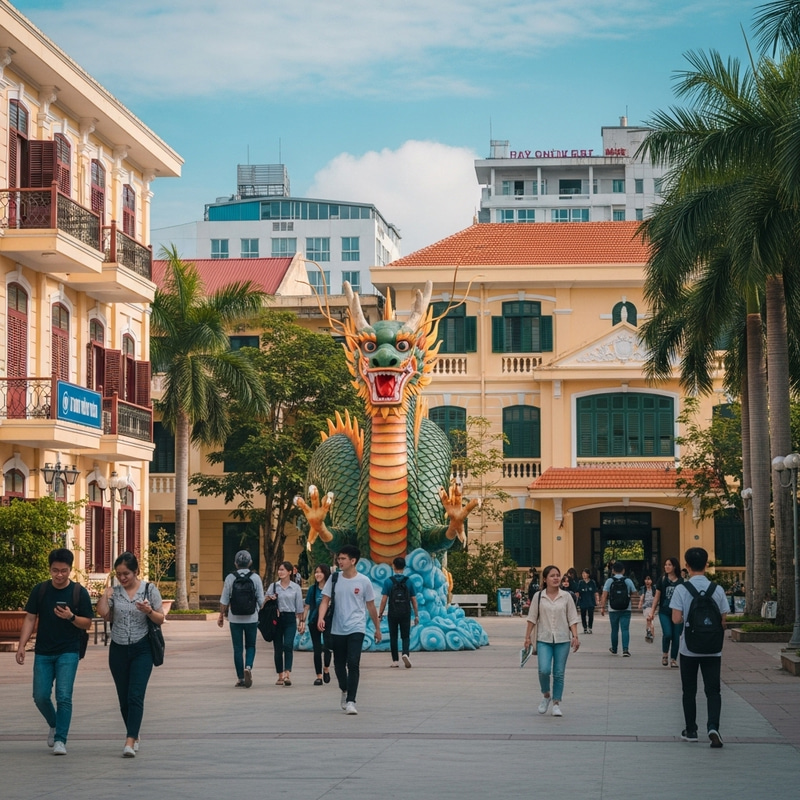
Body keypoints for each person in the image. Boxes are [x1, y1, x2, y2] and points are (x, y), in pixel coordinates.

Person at [15, 548, 93, 755]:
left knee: (64, 696)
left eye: (64, 571)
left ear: (70, 570)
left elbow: (87, 623)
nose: (59, 575)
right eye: (55, 570)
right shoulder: (40, 590)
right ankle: (54, 723)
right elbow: (30, 618)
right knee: (40, 696)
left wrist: (70, 617)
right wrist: (21, 645)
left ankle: (60, 739)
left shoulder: (79, 592)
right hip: (43, 651)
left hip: (69, 651)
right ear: (49, 569)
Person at [96, 551, 165, 758]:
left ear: (136, 571)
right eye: (118, 574)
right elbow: (103, 614)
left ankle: (130, 739)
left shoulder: (149, 590)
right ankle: (134, 733)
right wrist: (105, 595)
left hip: (142, 648)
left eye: (126, 573)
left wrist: (148, 611)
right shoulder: (115, 592)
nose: (122, 578)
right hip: (118, 648)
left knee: (136, 695)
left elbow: (161, 618)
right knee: (124, 698)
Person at [669, 547, 728, 748]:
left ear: (686, 566)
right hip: (713, 648)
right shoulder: (717, 589)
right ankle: (713, 726)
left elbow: (676, 619)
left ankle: (691, 730)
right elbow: (723, 621)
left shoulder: (681, 589)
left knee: (689, 690)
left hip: (689, 648)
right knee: (713, 690)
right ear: (706, 564)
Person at [317, 544, 382, 715]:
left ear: (353, 561)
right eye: (339, 558)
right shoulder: (334, 579)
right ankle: (344, 690)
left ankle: (351, 700)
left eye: (343, 559)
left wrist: (377, 628)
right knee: (339, 665)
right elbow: (325, 600)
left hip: (356, 627)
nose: (340, 561)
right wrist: (321, 618)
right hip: (337, 628)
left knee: (353, 663)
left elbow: (370, 606)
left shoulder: (364, 581)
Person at [523, 565, 580, 717]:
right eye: (552, 576)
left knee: (559, 673)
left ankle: (556, 703)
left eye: (557, 575)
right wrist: (527, 637)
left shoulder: (566, 596)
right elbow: (531, 618)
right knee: (544, 670)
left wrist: (575, 636)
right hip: (544, 638)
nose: (556, 578)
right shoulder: (539, 597)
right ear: (545, 579)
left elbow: (572, 618)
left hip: (562, 639)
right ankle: (546, 695)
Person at [217, 550, 265, 688]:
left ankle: (240, 678)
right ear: (250, 563)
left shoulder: (230, 578)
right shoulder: (255, 578)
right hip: (252, 618)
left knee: (237, 648)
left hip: (235, 619)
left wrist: (221, 615)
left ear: (235, 563)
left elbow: (224, 600)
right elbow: (261, 600)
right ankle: (248, 667)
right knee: (251, 646)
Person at [265, 561, 304, 686]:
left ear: (289, 572)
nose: (280, 572)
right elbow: (263, 603)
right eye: (279, 569)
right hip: (276, 619)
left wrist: (301, 622)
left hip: (290, 618)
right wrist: (268, 598)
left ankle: (287, 673)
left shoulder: (295, 588)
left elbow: (299, 608)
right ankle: (280, 675)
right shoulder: (274, 586)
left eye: (283, 570)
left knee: (288, 645)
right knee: (278, 648)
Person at [377, 556, 419, 668]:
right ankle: (405, 654)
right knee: (405, 636)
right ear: (404, 567)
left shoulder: (388, 581)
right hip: (405, 612)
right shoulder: (409, 581)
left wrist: (380, 614)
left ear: (393, 566)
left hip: (393, 612)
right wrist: (416, 615)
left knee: (393, 636)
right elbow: (414, 600)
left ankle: (395, 660)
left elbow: (384, 599)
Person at [648, 557, 684, 668]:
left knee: (676, 636)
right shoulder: (662, 580)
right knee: (667, 634)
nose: (666, 567)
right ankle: (665, 654)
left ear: (674, 566)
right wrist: (652, 611)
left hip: (678, 612)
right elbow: (657, 596)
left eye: (669, 565)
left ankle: (673, 659)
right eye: (665, 564)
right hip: (664, 611)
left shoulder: (681, 581)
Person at [303, 563, 333, 685]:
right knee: (316, 649)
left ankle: (326, 668)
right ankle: (319, 676)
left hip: (329, 621)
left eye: (320, 572)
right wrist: (302, 621)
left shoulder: (331, 589)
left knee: (327, 646)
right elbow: (307, 606)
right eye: (316, 572)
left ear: (326, 573)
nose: (318, 574)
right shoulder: (313, 589)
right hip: (314, 621)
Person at [600, 561, 636, 657]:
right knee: (625, 629)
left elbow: (604, 595)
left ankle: (614, 648)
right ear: (623, 570)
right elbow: (634, 592)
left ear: (613, 570)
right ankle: (625, 650)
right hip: (626, 608)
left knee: (614, 629)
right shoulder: (628, 581)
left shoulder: (609, 581)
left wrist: (602, 607)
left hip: (613, 609)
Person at [576, 569, 599, 634]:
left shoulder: (592, 582)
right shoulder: (580, 582)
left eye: (585, 573)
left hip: (590, 601)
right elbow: (578, 591)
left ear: (588, 574)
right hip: (583, 601)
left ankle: (590, 627)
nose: (583, 575)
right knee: (583, 615)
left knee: (590, 615)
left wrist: (597, 600)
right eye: (582, 573)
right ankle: (585, 628)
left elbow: (595, 591)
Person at [638, 574, 656, 642]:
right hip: (646, 607)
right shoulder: (643, 588)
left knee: (649, 620)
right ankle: (650, 633)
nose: (647, 581)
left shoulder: (654, 588)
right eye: (646, 579)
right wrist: (640, 603)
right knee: (649, 619)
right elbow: (642, 597)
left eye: (649, 579)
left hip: (653, 607)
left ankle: (649, 632)